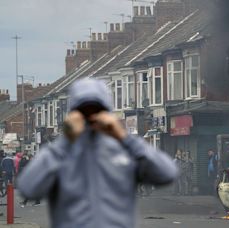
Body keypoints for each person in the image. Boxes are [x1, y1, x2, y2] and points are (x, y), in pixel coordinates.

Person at [17, 79, 178, 228]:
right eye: (83, 111)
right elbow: (28, 188)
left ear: (107, 113)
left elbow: (167, 173)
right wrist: (66, 141)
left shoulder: (124, 150)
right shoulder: (61, 154)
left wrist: (124, 137)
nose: (90, 117)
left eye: (97, 110)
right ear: (73, 114)